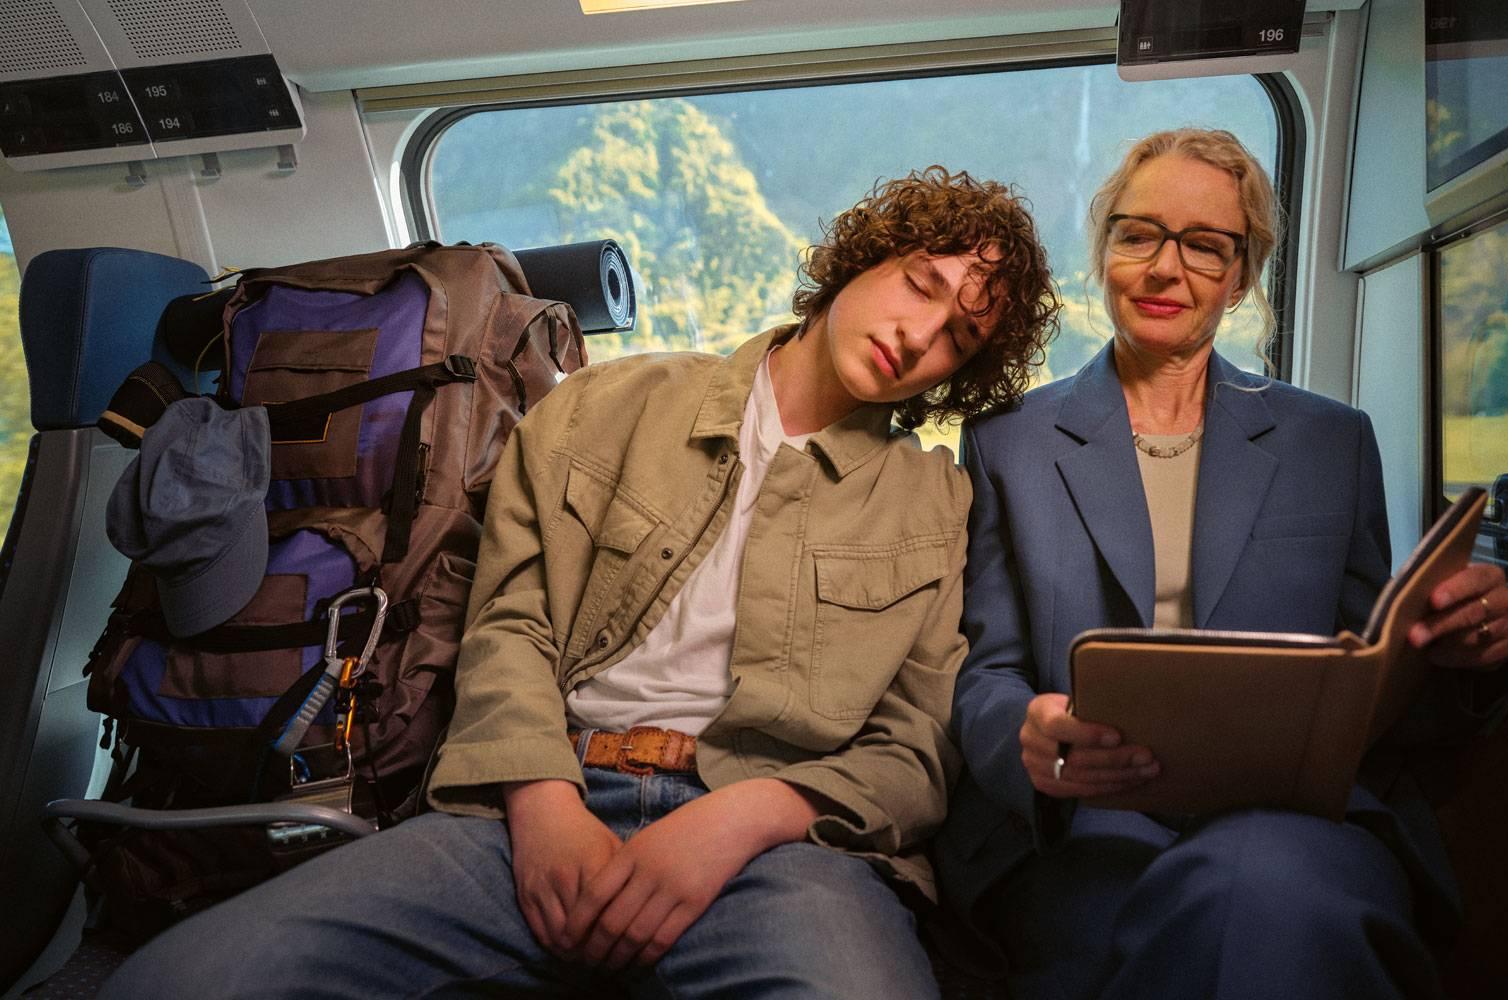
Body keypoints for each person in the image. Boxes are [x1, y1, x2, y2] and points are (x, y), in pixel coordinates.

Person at [101, 166, 1059, 999]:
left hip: (781, 845)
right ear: (862, 260)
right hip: (536, 797)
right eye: (919, 284)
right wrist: (540, 797)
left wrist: (747, 817)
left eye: (957, 340)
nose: (919, 333)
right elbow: (509, 623)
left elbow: (914, 746)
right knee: (182, 983)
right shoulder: (611, 403)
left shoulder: (933, 501)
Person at [934, 129, 1508, 1000]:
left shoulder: (1331, 441)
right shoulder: (1007, 443)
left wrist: (1459, 657)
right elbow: (989, 672)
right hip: (1083, 818)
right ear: (1105, 251)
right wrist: (1026, 740)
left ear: (1242, 276)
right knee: (1110, 929)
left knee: (1268, 896)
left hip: (1293, 816)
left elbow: (1378, 688)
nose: (1165, 269)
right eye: (1139, 235)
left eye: (1204, 246)